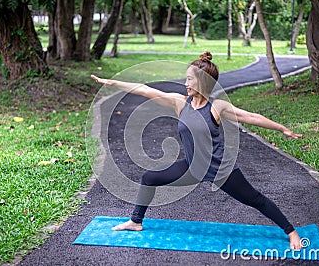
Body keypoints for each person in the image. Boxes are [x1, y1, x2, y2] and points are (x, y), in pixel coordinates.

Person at [91, 51, 302, 249]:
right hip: (193, 167)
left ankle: (290, 231)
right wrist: (112, 82)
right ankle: (135, 221)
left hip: (220, 170)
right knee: (149, 178)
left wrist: (282, 128)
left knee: (255, 200)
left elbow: (251, 117)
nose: (185, 84)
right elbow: (145, 90)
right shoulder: (181, 103)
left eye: (190, 80)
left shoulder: (217, 107)